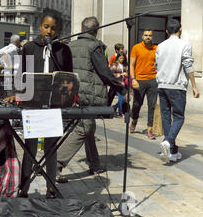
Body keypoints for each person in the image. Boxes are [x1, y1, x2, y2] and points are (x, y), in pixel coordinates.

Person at [56, 16, 127, 183]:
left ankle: (94, 163)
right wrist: (121, 88)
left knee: (88, 127)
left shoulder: (71, 45)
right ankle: (55, 164)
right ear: (96, 30)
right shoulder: (94, 46)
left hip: (73, 92)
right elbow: (104, 72)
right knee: (84, 128)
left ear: (81, 28)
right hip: (88, 94)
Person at [15, 12, 73, 198]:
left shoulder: (63, 51)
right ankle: (23, 186)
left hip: (54, 104)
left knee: (51, 147)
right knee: (29, 146)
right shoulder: (30, 48)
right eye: (46, 26)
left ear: (59, 31)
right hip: (33, 103)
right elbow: (21, 74)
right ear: (40, 26)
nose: (49, 31)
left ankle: (51, 187)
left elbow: (69, 77)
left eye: (54, 28)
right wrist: (17, 95)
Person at [156, 19, 200, 163]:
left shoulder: (160, 46)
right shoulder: (185, 45)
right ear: (180, 29)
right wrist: (194, 85)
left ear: (167, 31)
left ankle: (172, 152)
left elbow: (156, 65)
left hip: (162, 86)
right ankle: (168, 142)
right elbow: (188, 65)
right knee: (179, 117)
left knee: (166, 117)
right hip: (177, 87)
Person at [129, 29, 158, 139]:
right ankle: (134, 120)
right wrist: (133, 79)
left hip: (153, 80)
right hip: (139, 80)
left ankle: (149, 129)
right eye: (146, 35)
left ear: (152, 37)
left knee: (152, 105)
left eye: (150, 35)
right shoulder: (136, 47)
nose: (148, 37)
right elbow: (131, 65)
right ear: (142, 36)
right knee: (137, 104)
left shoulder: (156, 48)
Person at [110, 53, 128, 117]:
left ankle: (114, 107)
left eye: (123, 58)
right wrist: (120, 75)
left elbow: (127, 72)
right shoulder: (115, 65)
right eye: (120, 58)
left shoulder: (124, 65)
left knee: (124, 99)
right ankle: (121, 113)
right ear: (117, 58)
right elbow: (111, 74)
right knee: (121, 99)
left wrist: (126, 74)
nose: (122, 59)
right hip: (117, 84)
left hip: (123, 84)